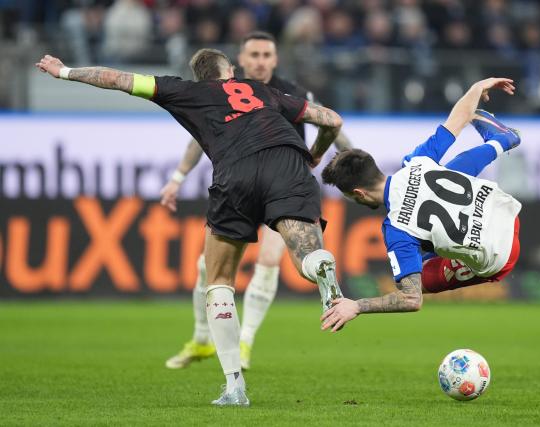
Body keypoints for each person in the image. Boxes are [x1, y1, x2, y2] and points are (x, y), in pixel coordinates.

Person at [36, 49, 344, 406]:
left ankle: (234, 387)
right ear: (230, 70)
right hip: (287, 164)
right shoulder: (262, 90)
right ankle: (319, 264)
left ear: (201, 76)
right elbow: (332, 120)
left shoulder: (185, 91)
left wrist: (65, 72)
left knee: (218, 279)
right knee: (304, 254)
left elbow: (116, 78)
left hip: (236, 173)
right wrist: (315, 155)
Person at [161, 31, 353, 371]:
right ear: (240, 61)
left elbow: (333, 124)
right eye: (255, 55)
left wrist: (347, 160)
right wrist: (177, 177)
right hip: (243, 183)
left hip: (286, 182)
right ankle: (202, 339)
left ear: (275, 60)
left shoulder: (293, 92)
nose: (261, 61)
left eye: (267, 55)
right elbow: (197, 139)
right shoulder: (219, 93)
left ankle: (245, 341)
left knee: (268, 257)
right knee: (207, 267)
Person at [319, 77, 522, 332]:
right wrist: (477, 88)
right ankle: (501, 141)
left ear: (358, 193)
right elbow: (458, 119)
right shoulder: (416, 160)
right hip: (505, 211)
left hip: (502, 255)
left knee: (418, 278)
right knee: (443, 175)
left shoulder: (396, 230)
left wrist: (357, 306)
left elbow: (411, 299)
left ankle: (500, 141)